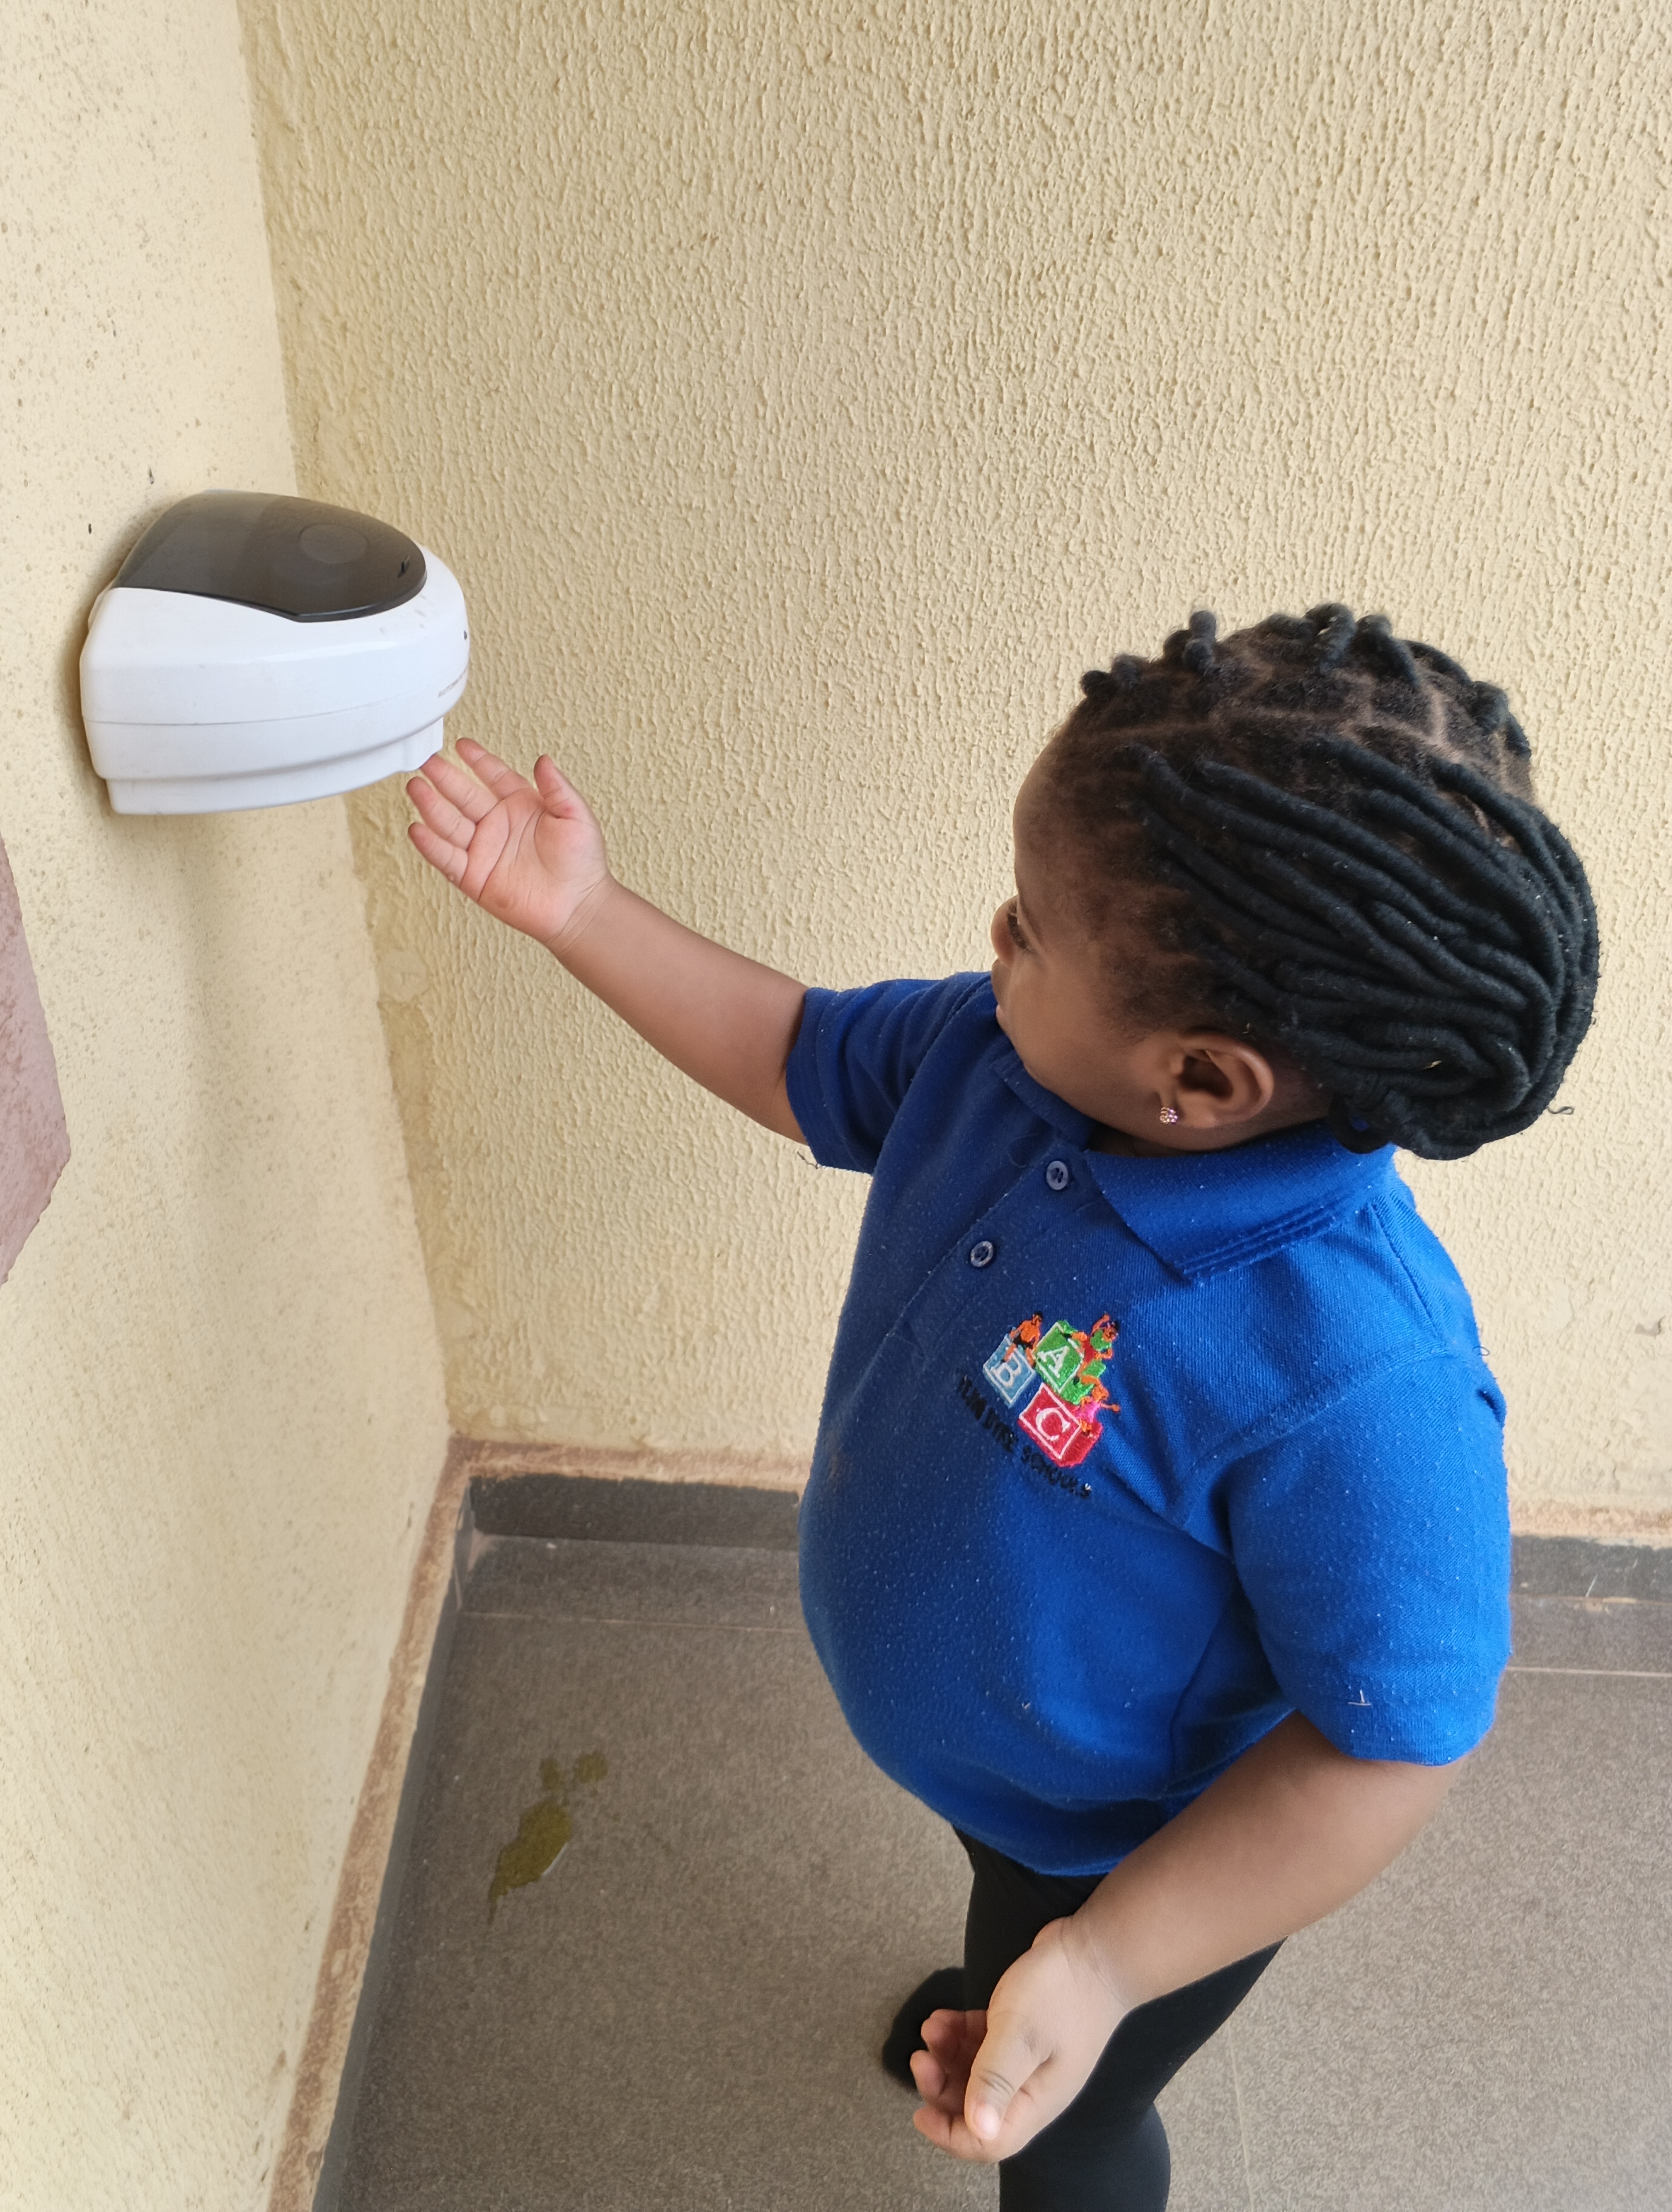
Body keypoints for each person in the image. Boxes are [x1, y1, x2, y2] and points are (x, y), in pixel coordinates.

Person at [405, 604, 1597, 2210]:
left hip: (1132, 1852)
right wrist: (585, 911)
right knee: (1003, 1932)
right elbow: (808, 1055)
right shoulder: (999, 1062)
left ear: (1207, 1078)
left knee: (1070, 2123)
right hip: (1007, 1790)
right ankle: (1009, 1953)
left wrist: (1105, 1963)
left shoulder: (1359, 1380)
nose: (995, 937)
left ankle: (1048, 2027)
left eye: (1032, 926)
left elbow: (1391, 1745)